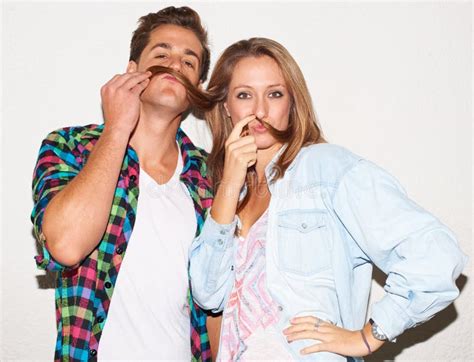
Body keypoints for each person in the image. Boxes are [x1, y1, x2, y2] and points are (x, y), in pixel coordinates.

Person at [189, 37, 467, 361]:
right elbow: (207, 294)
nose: (260, 110)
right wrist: (229, 185)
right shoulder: (230, 194)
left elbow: (436, 255)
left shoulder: (327, 170)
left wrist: (368, 336)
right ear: (226, 106)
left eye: (275, 94)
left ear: (292, 103)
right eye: (244, 95)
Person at [31, 6, 218, 361]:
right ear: (133, 71)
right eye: (162, 54)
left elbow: (217, 301)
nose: (175, 65)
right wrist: (117, 127)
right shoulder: (70, 148)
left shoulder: (210, 174)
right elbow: (66, 247)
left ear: (196, 89)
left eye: (188, 62)